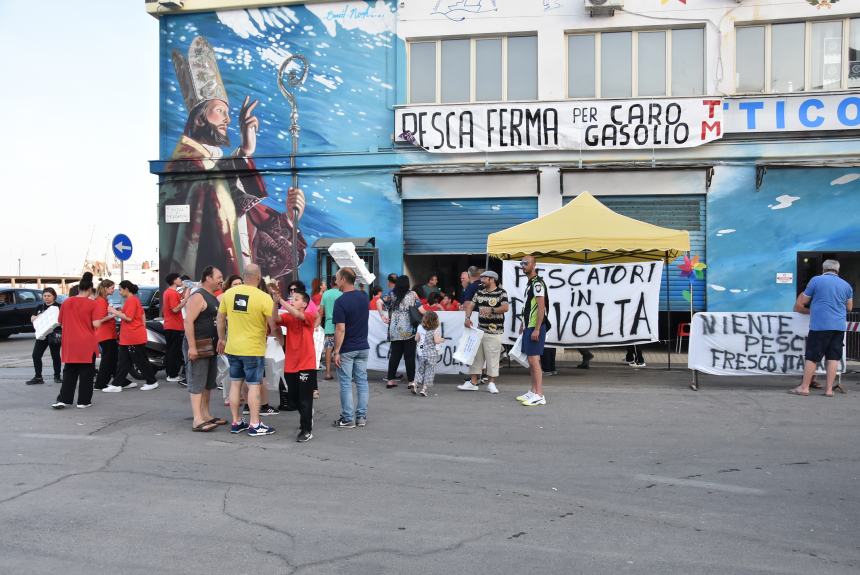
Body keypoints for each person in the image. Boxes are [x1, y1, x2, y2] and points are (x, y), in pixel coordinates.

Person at [160, 36, 307, 290]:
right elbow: (213, 189)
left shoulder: (215, 166)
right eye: (220, 111)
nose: (227, 119)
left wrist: (290, 220)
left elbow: (247, 220)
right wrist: (242, 156)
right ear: (198, 119)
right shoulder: (184, 166)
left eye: (228, 113)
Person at [217, 263, 278, 436]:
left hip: (233, 347)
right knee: (253, 386)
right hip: (253, 348)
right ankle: (254, 424)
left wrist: (222, 339)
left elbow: (221, 318)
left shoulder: (228, 294)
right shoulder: (263, 297)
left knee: (235, 384)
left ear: (244, 277)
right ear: (258, 277)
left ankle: (236, 422)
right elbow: (273, 323)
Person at [790, 259, 853, 397]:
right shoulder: (846, 285)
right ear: (838, 270)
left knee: (812, 357)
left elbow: (804, 301)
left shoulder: (816, 280)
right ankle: (829, 390)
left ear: (823, 269)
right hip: (838, 326)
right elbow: (849, 307)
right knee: (833, 358)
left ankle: (804, 387)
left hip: (820, 325)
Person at [184, 266, 227, 432]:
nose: (221, 280)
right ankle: (197, 419)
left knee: (208, 383)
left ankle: (206, 414)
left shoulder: (212, 297)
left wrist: (221, 340)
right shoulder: (198, 296)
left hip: (211, 346)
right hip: (199, 345)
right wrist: (192, 347)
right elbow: (188, 322)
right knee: (198, 381)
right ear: (208, 278)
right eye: (219, 276)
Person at [458, 270, 508, 394]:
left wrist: (491, 310)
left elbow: (505, 307)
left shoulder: (501, 293)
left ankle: (491, 383)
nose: (481, 280)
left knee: (492, 358)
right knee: (476, 357)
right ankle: (473, 382)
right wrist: (467, 318)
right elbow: (470, 304)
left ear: (492, 279)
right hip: (479, 330)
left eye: (484, 278)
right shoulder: (479, 291)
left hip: (495, 332)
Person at [53, 273, 99, 409]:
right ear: (90, 289)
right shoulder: (93, 304)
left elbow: (60, 322)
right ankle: (83, 401)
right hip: (86, 342)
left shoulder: (66, 302)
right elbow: (96, 324)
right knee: (86, 372)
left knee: (69, 371)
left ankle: (64, 399)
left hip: (70, 341)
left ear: (79, 288)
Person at [332, 267, 370, 429]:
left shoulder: (340, 301)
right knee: (362, 382)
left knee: (346, 383)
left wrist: (336, 350)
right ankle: (361, 416)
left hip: (347, 348)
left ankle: (348, 418)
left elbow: (340, 328)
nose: (335, 281)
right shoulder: (364, 297)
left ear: (343, 280)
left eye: (337, 278)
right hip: (363, 346)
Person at [277, 290, 318, 442]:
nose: (292, 300)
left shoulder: (309, 315)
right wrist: (271, 301)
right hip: (291, 364)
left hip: (306, 363)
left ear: (305, 304)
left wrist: (280, 300)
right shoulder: (288, 317)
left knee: (305, 399)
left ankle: (306, 429)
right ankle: (307, 414)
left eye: (296, 299)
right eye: (291, 298)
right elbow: (275, 318)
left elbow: (299, 315)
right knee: (293, 398)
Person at [108, 281, 159, 392]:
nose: (119, 292)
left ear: (126, 289)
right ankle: (117, 384)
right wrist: (142, 328)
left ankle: (152, 381)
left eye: (120, 289)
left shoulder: (131, 300)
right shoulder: (133, 300)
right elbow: (141, 315)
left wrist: (114, 312)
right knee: (124, 361)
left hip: (132, 336)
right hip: (131, 336)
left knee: (140, 361)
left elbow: (129, 318)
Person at [516, 256, 550, 406]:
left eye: (526, 263)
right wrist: (523, 323)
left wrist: (537, 328)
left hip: (535, 327)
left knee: (534, 360)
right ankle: (532, 391)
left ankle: (539, 394)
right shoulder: (530, 284)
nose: (523, 266)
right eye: (521, 263)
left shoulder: (537, 283)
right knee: (531, 360)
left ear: (534, 265)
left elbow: (541, 307)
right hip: (529, 326)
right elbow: (529, 307)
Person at [378, 275, 420, 390]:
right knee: (409, 356)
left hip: (395, 330)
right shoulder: (412, 294)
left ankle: (390, 380)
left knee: (395, 356)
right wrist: (431, 316)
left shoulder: (391, 294)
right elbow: (420, 309)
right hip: (409, 330)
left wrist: (383, 316)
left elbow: (378, 302)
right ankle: (411, 381)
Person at [92, 280, 128, 391]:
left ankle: (121, 380)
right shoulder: (100, 301)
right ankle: (100, 384)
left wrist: (114, 312)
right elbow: (100, 319)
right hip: (104, 334)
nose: (114, 290)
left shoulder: (103, 300)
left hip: (108, 334)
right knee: (108, 360)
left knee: (112, 359)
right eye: (112, 288)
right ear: (106, 288)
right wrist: (113, 314)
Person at [26, 288, 63, 385]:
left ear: (54, 296)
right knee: (36, 355)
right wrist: (38, 317)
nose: (46, 298)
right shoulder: (39, 307)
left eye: (49, 296)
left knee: (55, 356)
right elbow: (32, 318)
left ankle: (57, 376)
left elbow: (64, 320)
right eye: (44, 296)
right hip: (42, 335)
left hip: (54, 334)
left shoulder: (59, 307)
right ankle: (38, 377)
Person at [162, 273, 190, 383]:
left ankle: (171, 373)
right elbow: (175, 309)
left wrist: (186, 290)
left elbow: (180, 298)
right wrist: (186, 299)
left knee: (171, 351)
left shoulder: (169, 292)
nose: (180, 280)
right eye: (179, 278)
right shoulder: (172, 293)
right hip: (174, 326)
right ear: (174, 280)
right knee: (174, 352)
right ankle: (172, 374)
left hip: (171, 326)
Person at [414, 311, 443, 397]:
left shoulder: (420, 327)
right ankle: (424, 389)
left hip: (422, 353)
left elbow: (416, 339)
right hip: (432, 354)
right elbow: (436, 341)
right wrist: (442, 339)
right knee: (429, 371)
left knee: (420, 369)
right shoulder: (435, 329)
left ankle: (415, 384)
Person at [319, 278, 342, 381]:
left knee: (328, 348)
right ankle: (343, 373)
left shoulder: (325, 294)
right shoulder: (342, 293)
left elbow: (321, 312)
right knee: (341, 348)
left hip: (329, 324)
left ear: (330, 283)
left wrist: (319, 325)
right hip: (340, 324)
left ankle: (328, 373)